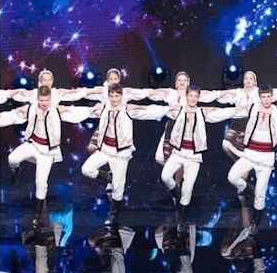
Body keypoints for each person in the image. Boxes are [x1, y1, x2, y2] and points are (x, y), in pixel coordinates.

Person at [0, 86, 91, 230]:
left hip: (47, 151)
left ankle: (37, 215)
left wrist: (92, 109)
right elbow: (14, 114)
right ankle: (16, 171)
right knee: (12, 159)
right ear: (37, 99)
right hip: (32, 144)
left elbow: (75, 113)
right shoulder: (31, 108)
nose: (43, 103)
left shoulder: (57, 110)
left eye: (46, 100)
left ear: (50, 99)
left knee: (41, 182)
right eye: (41, 100)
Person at [79, 84, 169, 227]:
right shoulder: (104, 108)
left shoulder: (127, 110)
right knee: (86, 169)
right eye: (112, 96)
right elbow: (81, 112)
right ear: (109, 96)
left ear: (121, 96)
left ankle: (113, 214)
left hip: (120, 153)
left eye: (117, 96)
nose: (114, 99)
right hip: (105, 149)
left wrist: (168, 109)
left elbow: (149, 112)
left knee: (117, 188)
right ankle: (111, 178)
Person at [226, 84, 277, 235]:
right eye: (263, 97)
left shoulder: (276, 110)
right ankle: (250, 190)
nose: (266, 100)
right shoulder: (253, 108)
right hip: (250, 153)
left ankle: (255, 223)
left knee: (260, 194)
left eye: (268, 97)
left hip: (266, 157)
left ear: (272, 97)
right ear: (259, 97)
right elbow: (232, 111)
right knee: (232, 177)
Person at [160, 85, 241, 229]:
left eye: (195, 96)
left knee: (188, 187)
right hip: (178, 152)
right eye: (190, 96)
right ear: (186, 96)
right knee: (165, 176)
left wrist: (238, 109)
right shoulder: (178, 110)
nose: (192, 98)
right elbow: (157, 111)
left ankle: (181, 219)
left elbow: (221, 113)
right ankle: (178, 196)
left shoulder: (202, 112)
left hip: (193, 156)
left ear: (198, 98)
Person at [147, 71, 220, 166]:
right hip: (172, 125)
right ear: (176, 83)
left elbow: (210, 94)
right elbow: (153, 93)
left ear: (188, 82)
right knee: (161, 158)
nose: (182, 82)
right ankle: (175, 172)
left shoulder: (192, 94)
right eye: (179, 80)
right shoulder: (171, 93)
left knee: (182, 157)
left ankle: (179, 174)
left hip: (187, 128)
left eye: (184, 80)